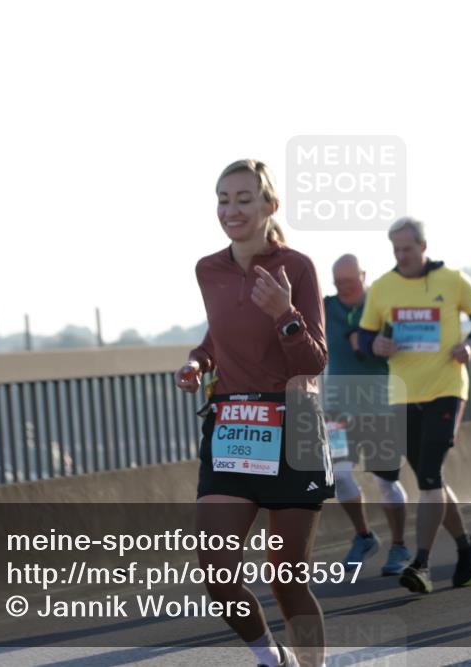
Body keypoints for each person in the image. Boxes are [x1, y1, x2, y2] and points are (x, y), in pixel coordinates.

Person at [174, 159, 334, 667]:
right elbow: (218, 336)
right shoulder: (208, 269)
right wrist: (198, 362)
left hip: (295, 429)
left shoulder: (299, 267)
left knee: (286, 578)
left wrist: (284, 313)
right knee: (217, 570)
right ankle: (272, 660)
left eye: (244, 199)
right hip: (234, 427)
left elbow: (314, 360)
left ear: (269, 206)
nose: (232, 209)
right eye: (224, 199)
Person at [357, 217, 471, 594]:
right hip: (403, 394)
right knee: (430, 480)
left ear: (423, 246)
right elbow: (366, 338)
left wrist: (470, 345)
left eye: (408, 249)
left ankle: (422, 563)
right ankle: (467, 546)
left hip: (446, 388)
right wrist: (376, 346)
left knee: (430, 473)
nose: (402, 256)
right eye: (396, 250)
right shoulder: (383, 288)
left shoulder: (452, 280)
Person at [323, 254, 410, 576]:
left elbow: (406, 343)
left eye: (348, 281)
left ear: (363, 276)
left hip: (379, 406)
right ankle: (364, 536)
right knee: (341, 476)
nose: (342, 287)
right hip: (336, 409)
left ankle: (400, 545)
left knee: (384, 480)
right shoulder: (326, 307)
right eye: (337, 281)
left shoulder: (381, 305)